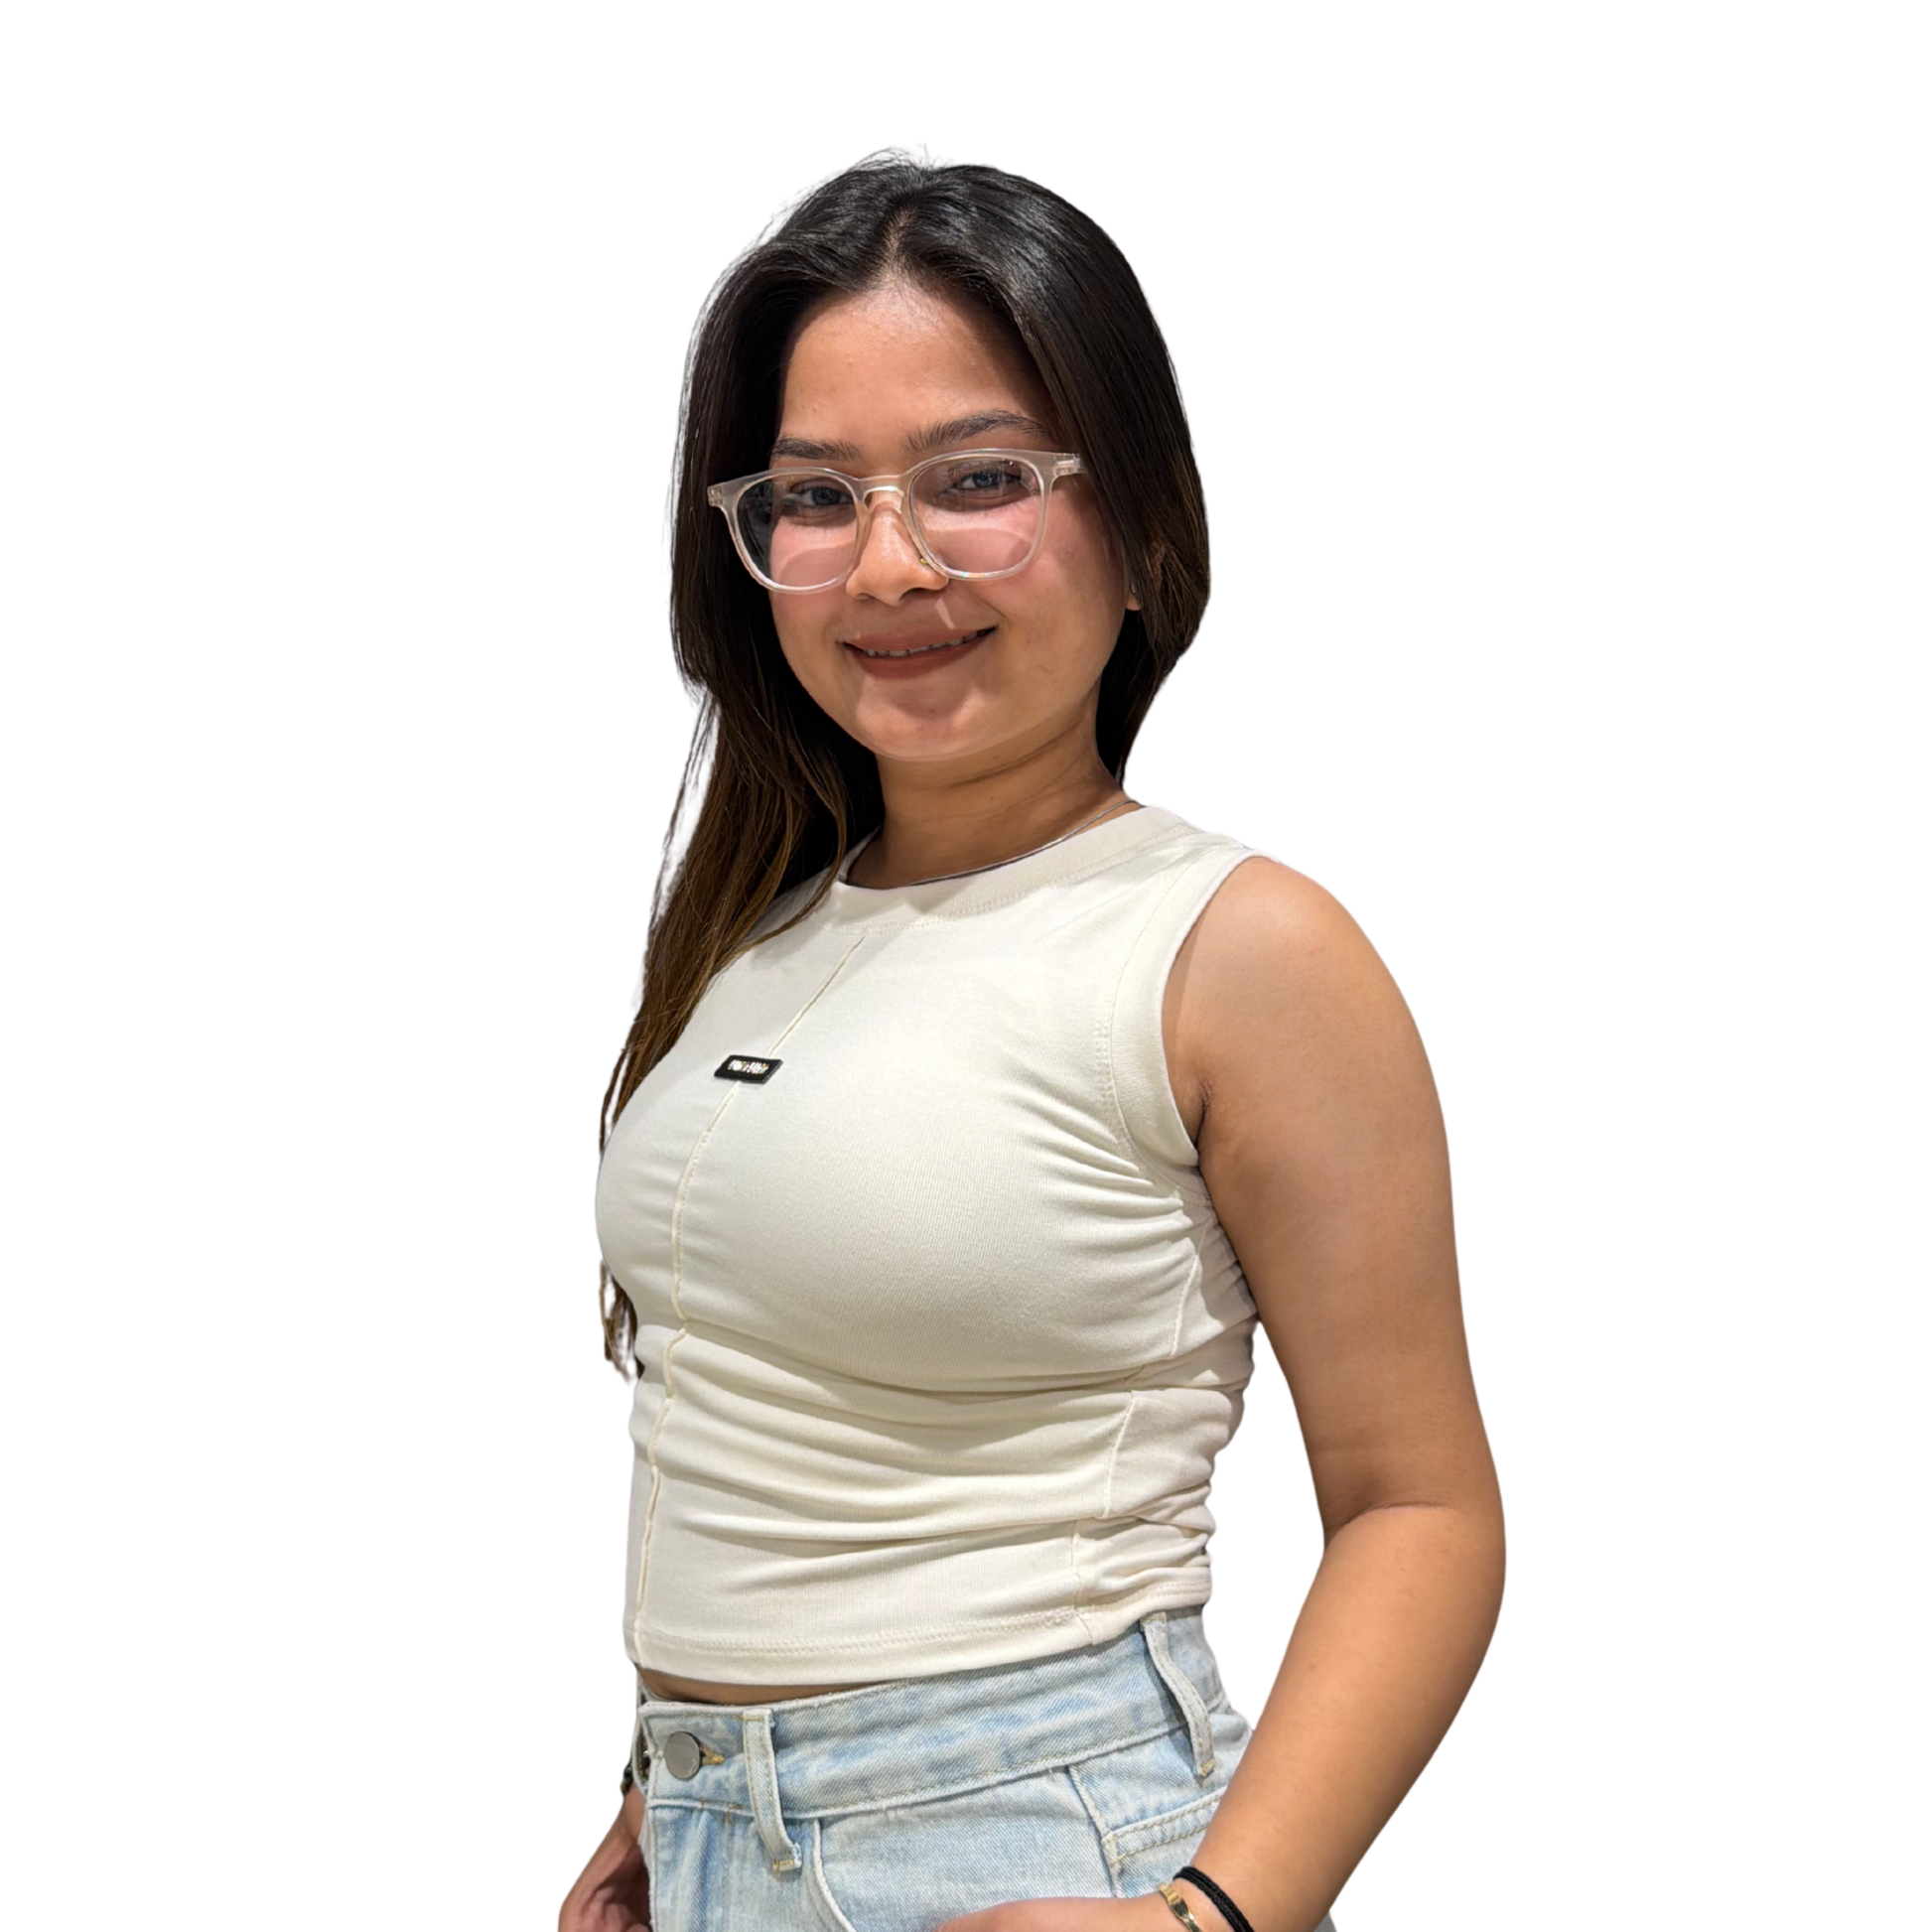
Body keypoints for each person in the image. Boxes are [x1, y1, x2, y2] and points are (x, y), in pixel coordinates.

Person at [559, 154, 1504, 1932]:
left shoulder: (1236, 948)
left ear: (1140, 523)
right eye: (814, 495)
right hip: (716, 1845)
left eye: (978, 479)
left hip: (1033, 1841)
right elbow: (764, 1426)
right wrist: (672, 1796)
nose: (887, 562)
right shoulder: (758, 932)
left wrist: (1211, 1917)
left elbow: (1419, 1505)